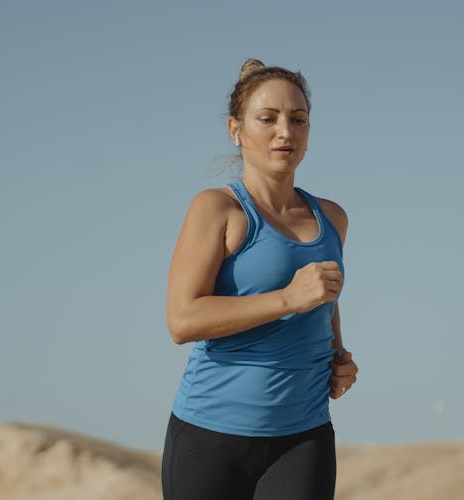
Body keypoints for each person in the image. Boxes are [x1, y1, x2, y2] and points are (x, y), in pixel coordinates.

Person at [161, 58, 358, 500]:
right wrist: (288, 298)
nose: (285, 132)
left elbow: (323, 296)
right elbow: (183, 320)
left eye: (298, 119)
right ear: (237, 130)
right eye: (267, 119)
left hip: (303, 437)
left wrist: (338, 354)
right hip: (209, 438)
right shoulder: (217, 210)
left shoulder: (333, 218)